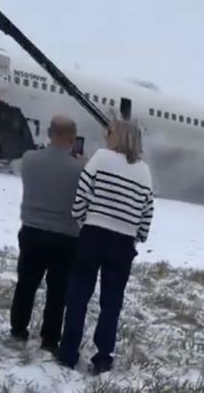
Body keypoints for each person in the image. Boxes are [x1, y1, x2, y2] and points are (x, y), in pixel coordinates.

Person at [56, 118, 154, 375]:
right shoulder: (144, 171)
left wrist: (83, 220)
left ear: (118, 136)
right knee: (112, 303)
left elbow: (82, 196)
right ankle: (103, 357)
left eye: (109, 133)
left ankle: (68, 352)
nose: (106, 137)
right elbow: (147, 211)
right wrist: (137, 235)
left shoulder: (100, 158)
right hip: (123, 243)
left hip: (93, 235)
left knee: (78, 295)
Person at [9, 116, 85, 353]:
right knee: (58, 291)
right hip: (65, 237)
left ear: (50, 134)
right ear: (72, 139)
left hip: (31, 231)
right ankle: (50, 338)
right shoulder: (80, 168)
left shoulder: (30, 160)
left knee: (26, 285)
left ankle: (18, 329)